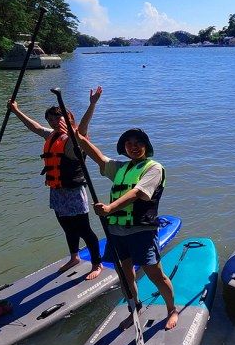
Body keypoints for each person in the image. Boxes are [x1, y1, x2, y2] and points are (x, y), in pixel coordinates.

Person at [74, 127, 179, 330]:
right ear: (124, 148)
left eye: (138, 143)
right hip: (117, 232)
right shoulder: (121, 169)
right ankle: (135, 308)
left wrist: (111, 207)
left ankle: (172, 309)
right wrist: (77, 137)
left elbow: (138, 193)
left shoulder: (154, 168)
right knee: (125, 274)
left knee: (155, 274)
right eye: (129, 143)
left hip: (141, 232)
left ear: (146, 146)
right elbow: (99, 158)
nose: (134, 147)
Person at [8, 87, 104, 280]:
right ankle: (74, 257)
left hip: (74, 192)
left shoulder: (74, 139)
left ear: (68, 119)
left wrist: (92, 104)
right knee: (67, 227)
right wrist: (16, 110)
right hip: (57, 190)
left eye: (57, 118)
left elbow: (82, 129)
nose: (53, 122)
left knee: (84, 230)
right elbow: (34, 127)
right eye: (50, 119)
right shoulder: (51, 136)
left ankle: (97, 264)